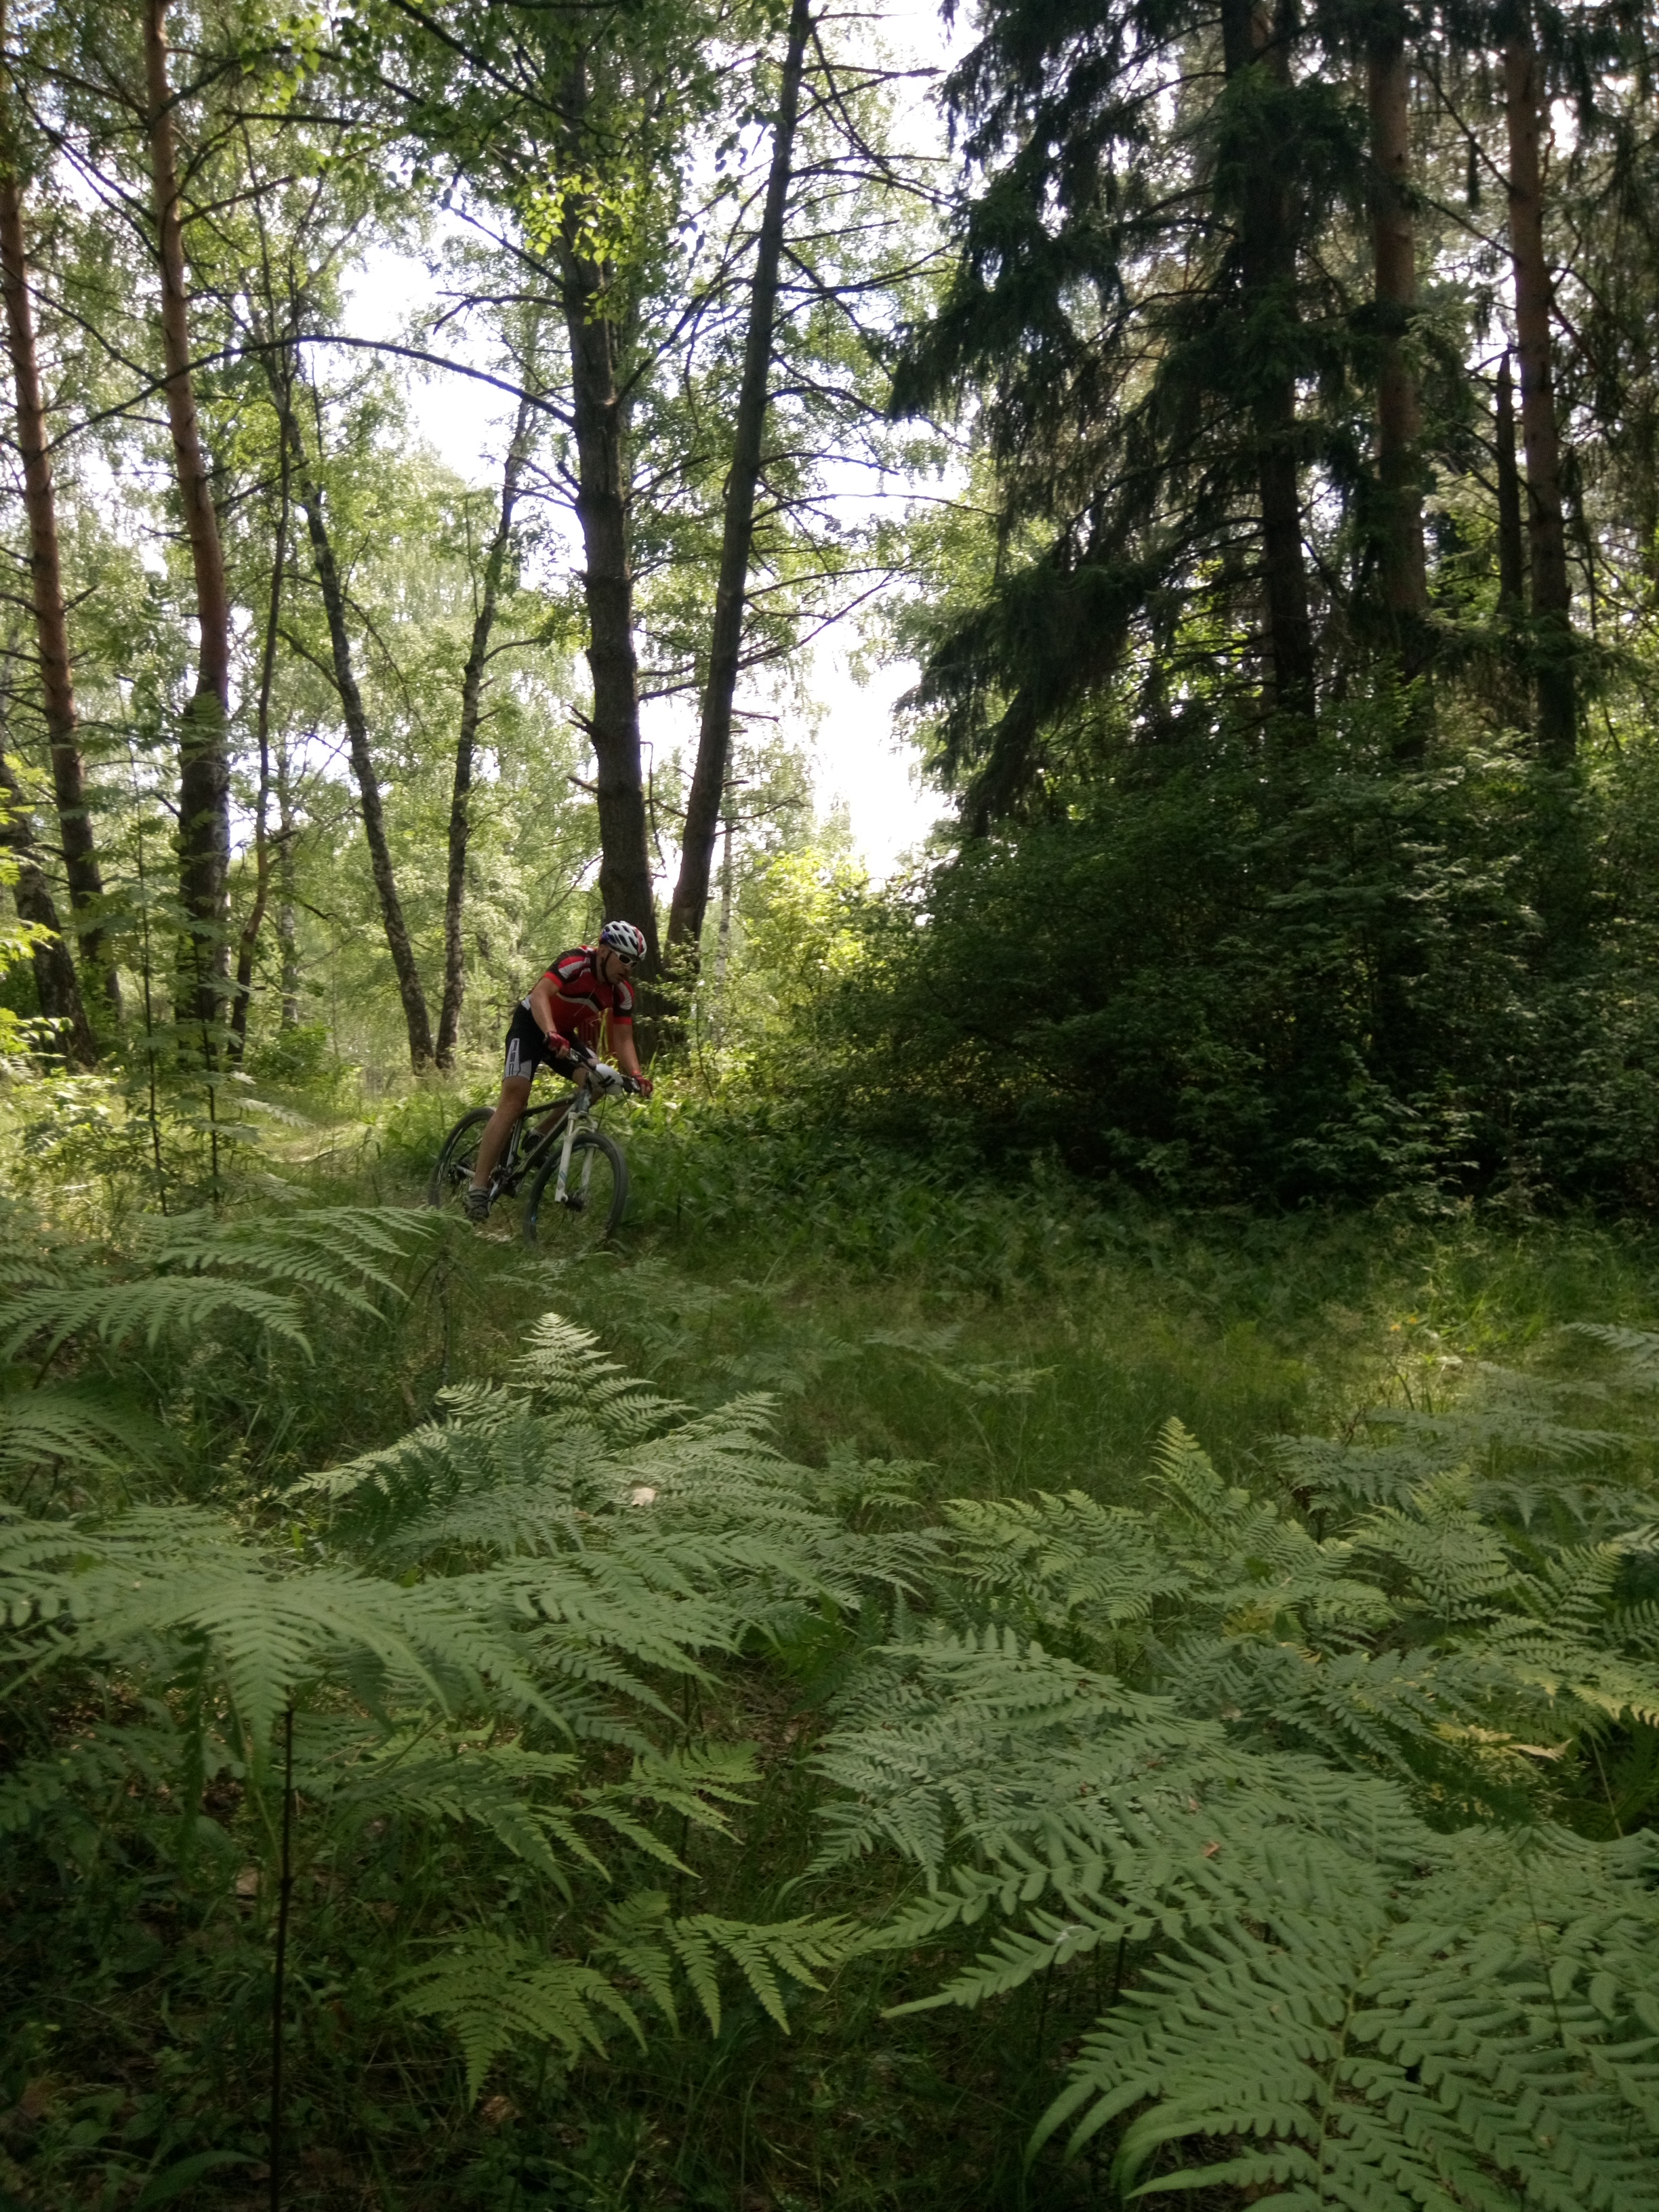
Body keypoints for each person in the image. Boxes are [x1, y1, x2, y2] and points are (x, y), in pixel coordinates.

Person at [466, 920, 653, 1219]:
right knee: (514, 1101)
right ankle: (477, 1187)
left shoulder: (622, 992)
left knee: (599, 1082)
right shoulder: (575, 961)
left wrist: (638, 1075)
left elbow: (624, 1038)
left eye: (635, 963)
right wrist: (550, 1033)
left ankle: (538, 1134)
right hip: (530, 1027)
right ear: (604, 951)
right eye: (624, 958)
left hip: (564, 1036)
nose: (628, 968)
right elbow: (541, 995)